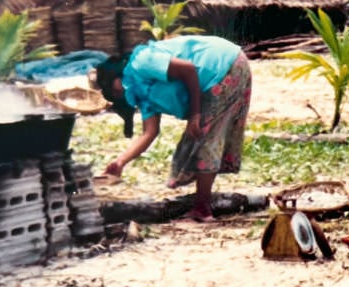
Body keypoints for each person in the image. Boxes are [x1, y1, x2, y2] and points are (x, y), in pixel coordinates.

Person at [96, 35, 252, 222]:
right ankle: (202, 205)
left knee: (205, 137)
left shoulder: (141, 62)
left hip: (223, 65)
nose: (114, 92)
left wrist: (195, 114)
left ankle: (202, 209)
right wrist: (120, 162)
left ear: (116, 73)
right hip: (225, 69)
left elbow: (188, 70)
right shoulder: (141, 95)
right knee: (199, 138)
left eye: (110, 84)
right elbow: (149, 133)